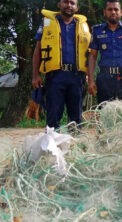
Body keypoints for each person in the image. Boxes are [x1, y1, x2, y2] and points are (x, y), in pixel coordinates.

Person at [32, 0, 90, 129]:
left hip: (76, 77)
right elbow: (37, 50)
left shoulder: (83, 25)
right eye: (65, 2)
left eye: (72, 3)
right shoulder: (46, 23)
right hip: (55, 76)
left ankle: (75, 146)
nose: (69, 5)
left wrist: (89, 75)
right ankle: (51, 146)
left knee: (76, 118)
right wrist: (35, 75)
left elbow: (90, 54)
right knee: (53, 116)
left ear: (77, 7)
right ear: (59, 4)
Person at [88, 0, 122, 105]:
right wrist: (90, 81)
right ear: (105, 12)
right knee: (105, 113)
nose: (113, 12)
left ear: (121, 12)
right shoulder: (97, 30)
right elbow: (92, 57)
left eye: (116, 9)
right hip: (105, 80)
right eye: (110, 9)